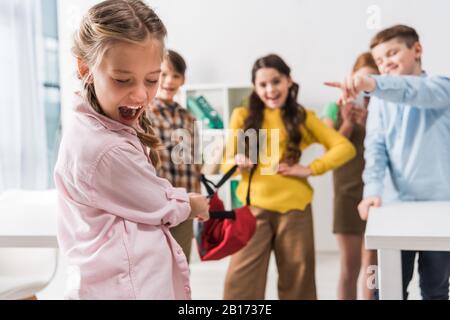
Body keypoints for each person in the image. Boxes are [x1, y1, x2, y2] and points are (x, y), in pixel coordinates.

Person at [54, 0, 209, 300]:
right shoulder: (104, 148)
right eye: (122, 80)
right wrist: (192, 204)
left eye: (152, 79)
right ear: (85, 68)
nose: (140, 94)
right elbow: (157, 202)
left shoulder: (106, 125)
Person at [326, 25, 450, 300]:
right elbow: (376, 150)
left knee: (437, 290)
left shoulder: (442, 88)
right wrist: (372, 191)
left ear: (417, 50)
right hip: (395, 210)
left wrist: (372, 84)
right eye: (379, 60)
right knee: (388, 290)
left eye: (392, 53)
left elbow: (413, 92)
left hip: (441, 210)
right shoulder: (380, 102)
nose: (385, 64)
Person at [222, 54, 356, 300]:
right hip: (253, 209)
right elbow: (225, 161)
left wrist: (310, 168)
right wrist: (237, 162)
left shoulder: (302, 117)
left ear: (289, 81)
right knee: (240, 285)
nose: (270, 90)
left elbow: (344, 147)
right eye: (263, 85)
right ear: (255, 87)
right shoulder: (242, 116)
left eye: (276, 82)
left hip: (295, 210)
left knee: (299, 285)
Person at [322, 52, 379, 300]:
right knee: (350, 266)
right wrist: (347, 123)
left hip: (377, 195)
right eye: (360, 80)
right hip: (346, 193)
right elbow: (330, 151)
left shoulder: (383, 105)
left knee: (373, 266)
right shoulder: (333, 107)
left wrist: (369, 123)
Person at [148, 50, 202, 263]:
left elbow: (194, 164)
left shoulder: (189, 117)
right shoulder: (143, 113)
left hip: (184, 208)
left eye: (176, 76)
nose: (169, 81)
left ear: (183, 80)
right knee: (155, 270)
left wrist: (196, 203)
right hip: (156, 208)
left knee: (181, 270)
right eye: (163, 74)